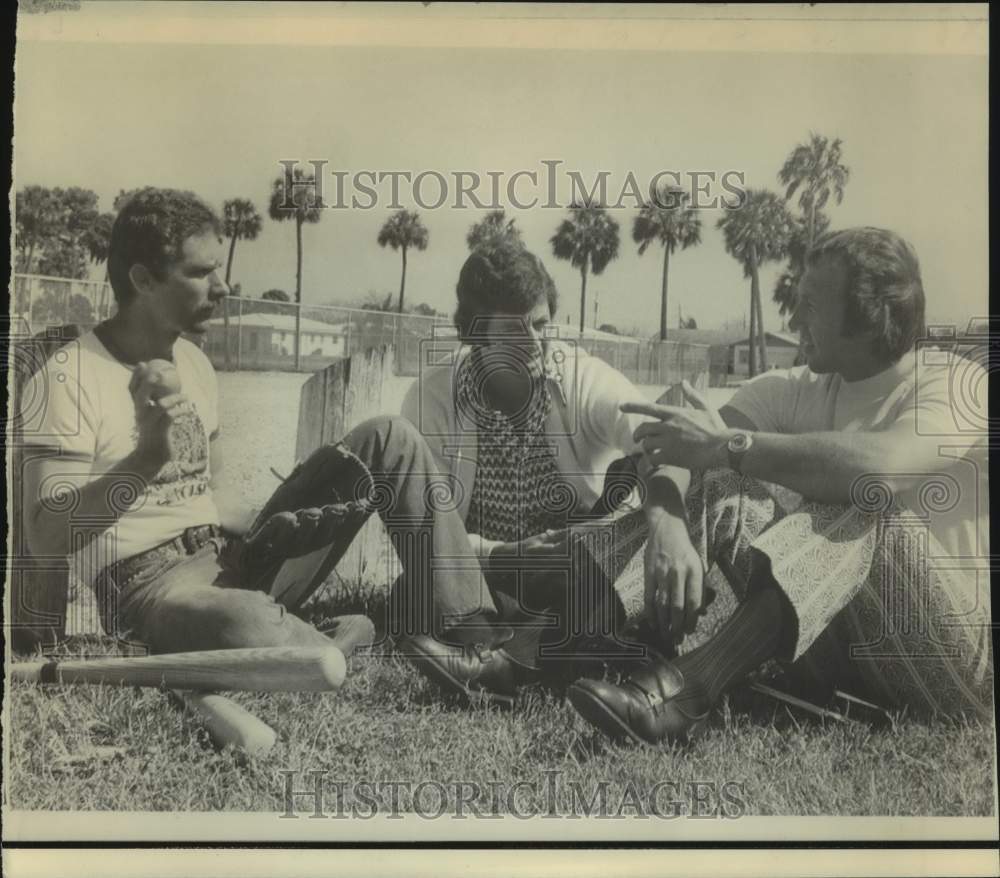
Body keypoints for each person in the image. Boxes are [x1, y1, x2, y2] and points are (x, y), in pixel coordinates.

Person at [18, 188, 511, 672]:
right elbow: (43, 536)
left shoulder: (193, 361)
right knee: (243, 622)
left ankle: (480, 639)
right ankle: (328, 638)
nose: (223, 286)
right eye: (201, 272)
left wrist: (283, 523)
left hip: (232, 555)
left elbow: (214, 497)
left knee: (391, 438)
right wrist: (144, 462)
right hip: (149, 586)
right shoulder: (68, 376)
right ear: (144, 279)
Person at [567, 227, 993, 744]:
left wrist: (728, 446)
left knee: (861, 498)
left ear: (868, 319)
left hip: (952, 666)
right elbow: (679, 448)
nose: (793, 320)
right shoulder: (800, 386)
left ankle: (689, 687)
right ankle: (536, 647)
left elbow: (877, 469)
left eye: (811, 305)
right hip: (837, 653)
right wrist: (667, 527)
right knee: (723, 481)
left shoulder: (955, 384)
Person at [399, 240, 701, 702]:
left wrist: (668, 529)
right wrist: (506, 555)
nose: (535, 343)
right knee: (411, 588)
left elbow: (664, 442)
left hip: (578, 562)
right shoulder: (433, 396)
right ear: (475, 334)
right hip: (487, 572)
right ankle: (570, 648)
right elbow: (438, 529)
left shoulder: (581, 376)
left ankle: (510, 659)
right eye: (512, 331)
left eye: (541, 324)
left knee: (614, 543)